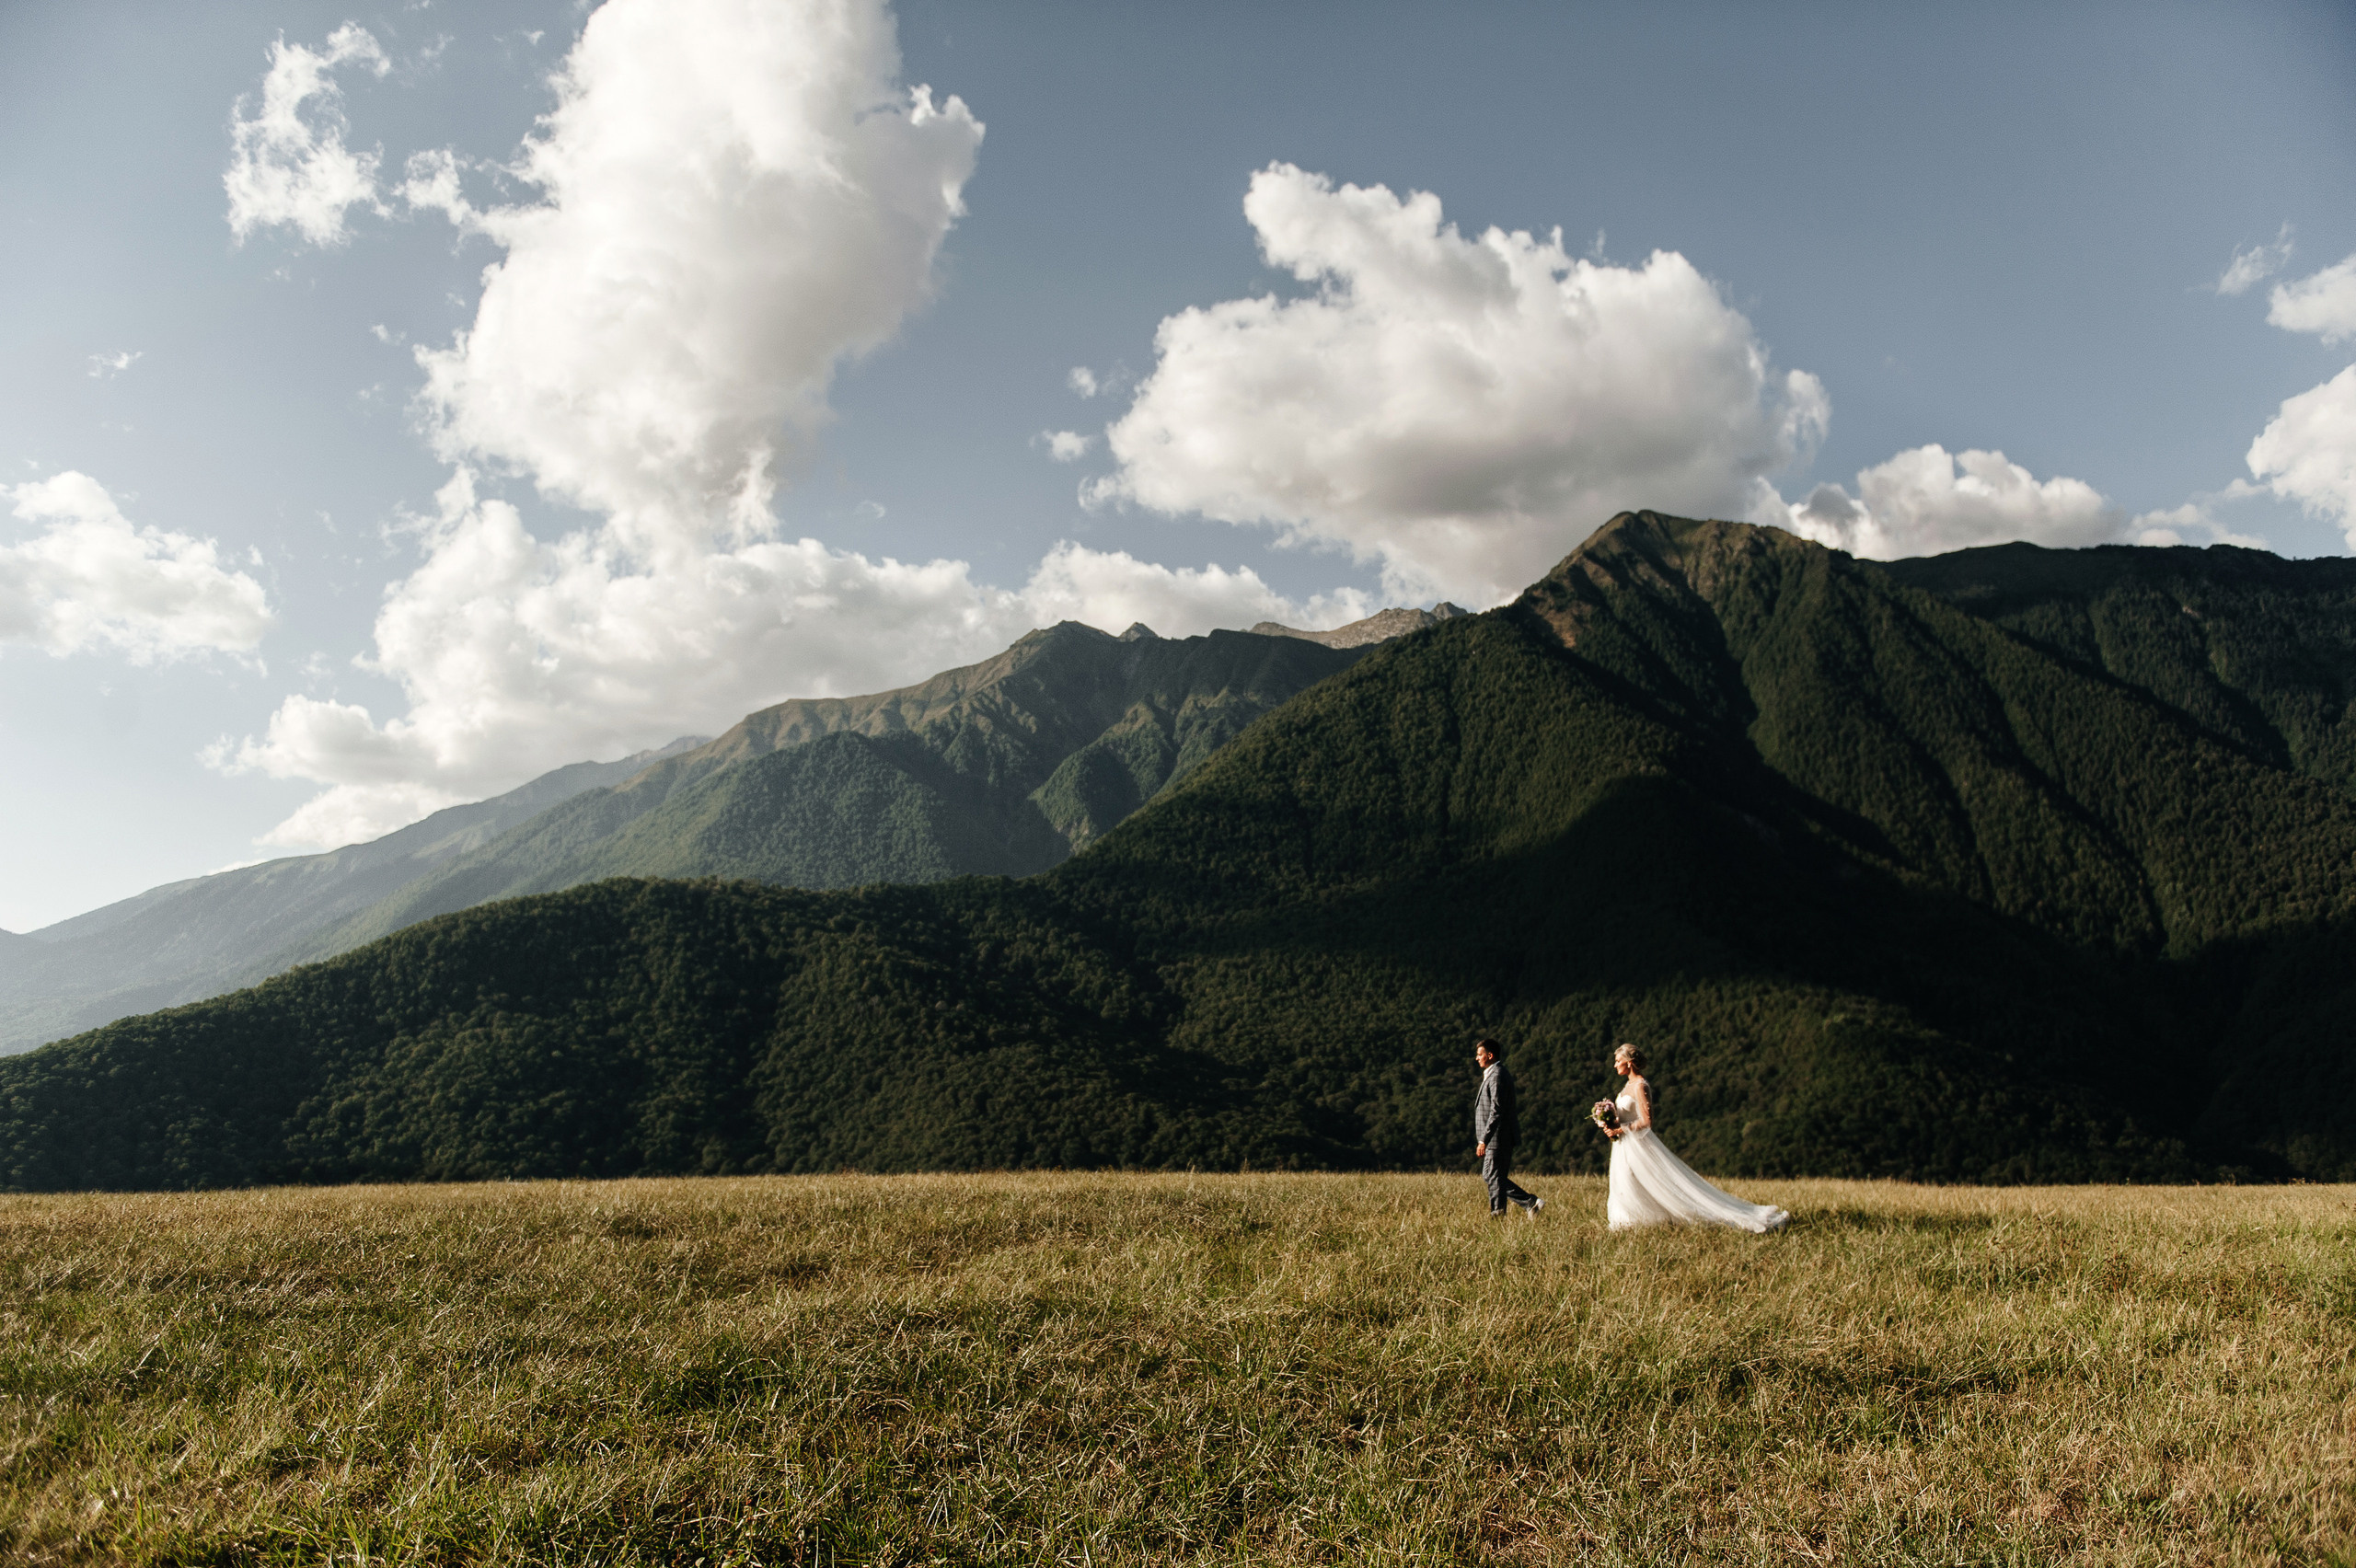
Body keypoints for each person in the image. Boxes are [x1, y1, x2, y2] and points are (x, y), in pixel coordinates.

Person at [1601, 1043, 1788, 1232]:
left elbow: (1647, 1122)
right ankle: (1632, 1221)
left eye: (1618, 1061)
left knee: (1652, 1183)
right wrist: (1610, 1123)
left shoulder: (1641, 1085)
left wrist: (1620, 1130)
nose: (1615, 1065)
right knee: (1626, 1182)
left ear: (1630, 1063)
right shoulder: (1627, 1085)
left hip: (1637, 1144)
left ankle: (1642, 1222)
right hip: (1624, 1144)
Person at [1472, 1038, 1543, 1218]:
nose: (1476, 1058)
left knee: (1492, 1176)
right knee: (1491, 1176)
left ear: (1490, 1055)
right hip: (1497, 1137)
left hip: (1498, 1137)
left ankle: (1499, 1213)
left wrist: (1484, 1139)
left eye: (1479, 1055)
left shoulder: (1497, 1075)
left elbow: (1496, 1110)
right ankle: (1529, 1202)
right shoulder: (1494, 1073)